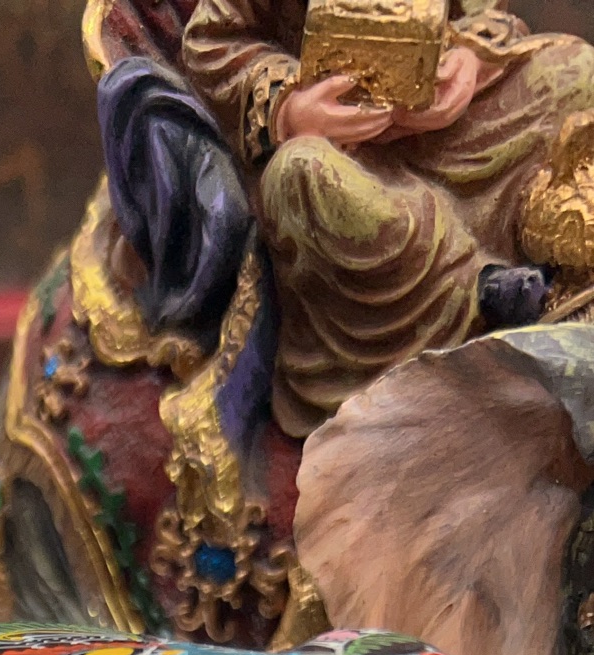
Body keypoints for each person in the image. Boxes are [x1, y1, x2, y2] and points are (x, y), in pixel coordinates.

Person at [181, 0, 594, 432]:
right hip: (339, 152)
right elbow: (212, 43)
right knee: (301, 174)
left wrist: (468, 62)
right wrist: (291, 108)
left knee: (574, 69)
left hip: (443, 133)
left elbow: (484, 13)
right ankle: (479, 294)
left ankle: (547, 238)